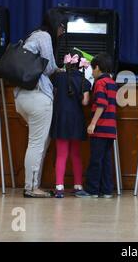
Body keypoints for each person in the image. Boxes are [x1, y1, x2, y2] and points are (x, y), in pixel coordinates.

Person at [14, 9, 67, 198]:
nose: (62, 31)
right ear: (55, 24)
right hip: (37, 97)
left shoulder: (32, 36)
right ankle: (31, 187)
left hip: (22, 97)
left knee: (38, 142)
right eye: (62, 26)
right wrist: (61, 69)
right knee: (37, 143)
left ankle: (33, 185)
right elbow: (49, 66)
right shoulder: (44, 36)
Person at [75, 53, 117, 199]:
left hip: (100, 127)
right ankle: (106, 190)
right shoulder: (112, 82)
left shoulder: (100, 83)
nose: (92, 72)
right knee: (106, 160)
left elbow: (101, 103)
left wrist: (93, 123)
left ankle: (92, 190)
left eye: (93, 69)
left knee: (95, 160)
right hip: (111, 129)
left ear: (98, 67)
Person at [51, 49, 91, 198]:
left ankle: (59, 187)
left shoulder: (58, 77)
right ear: (81, 65)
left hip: (61, 119)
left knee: (61, 154)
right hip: (76, 120)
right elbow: (85, 102)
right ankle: (78, 185)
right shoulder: (84, 81)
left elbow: (53, 93)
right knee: (76, 154)